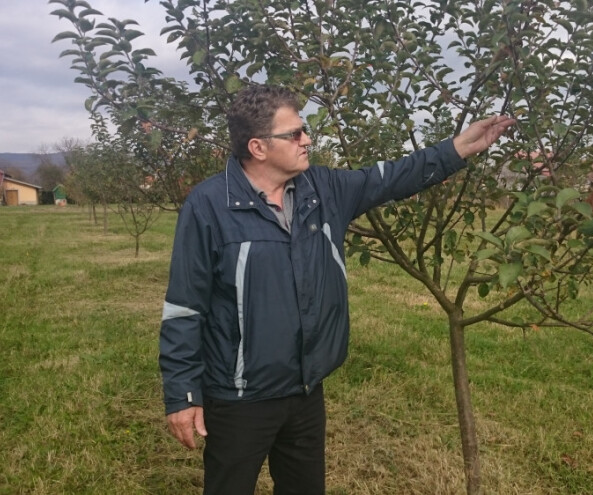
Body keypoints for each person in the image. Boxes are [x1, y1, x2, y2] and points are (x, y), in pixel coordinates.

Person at [159, 84, 515, 494]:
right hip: (239, 396)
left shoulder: (323, 190)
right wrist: (183, 395)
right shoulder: (208, 206)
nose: (307, 139)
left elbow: (394, 176)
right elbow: (185, 307)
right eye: (294, 134)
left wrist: (459, 148)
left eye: (304, 129)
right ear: (258, 147)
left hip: (306, 389)